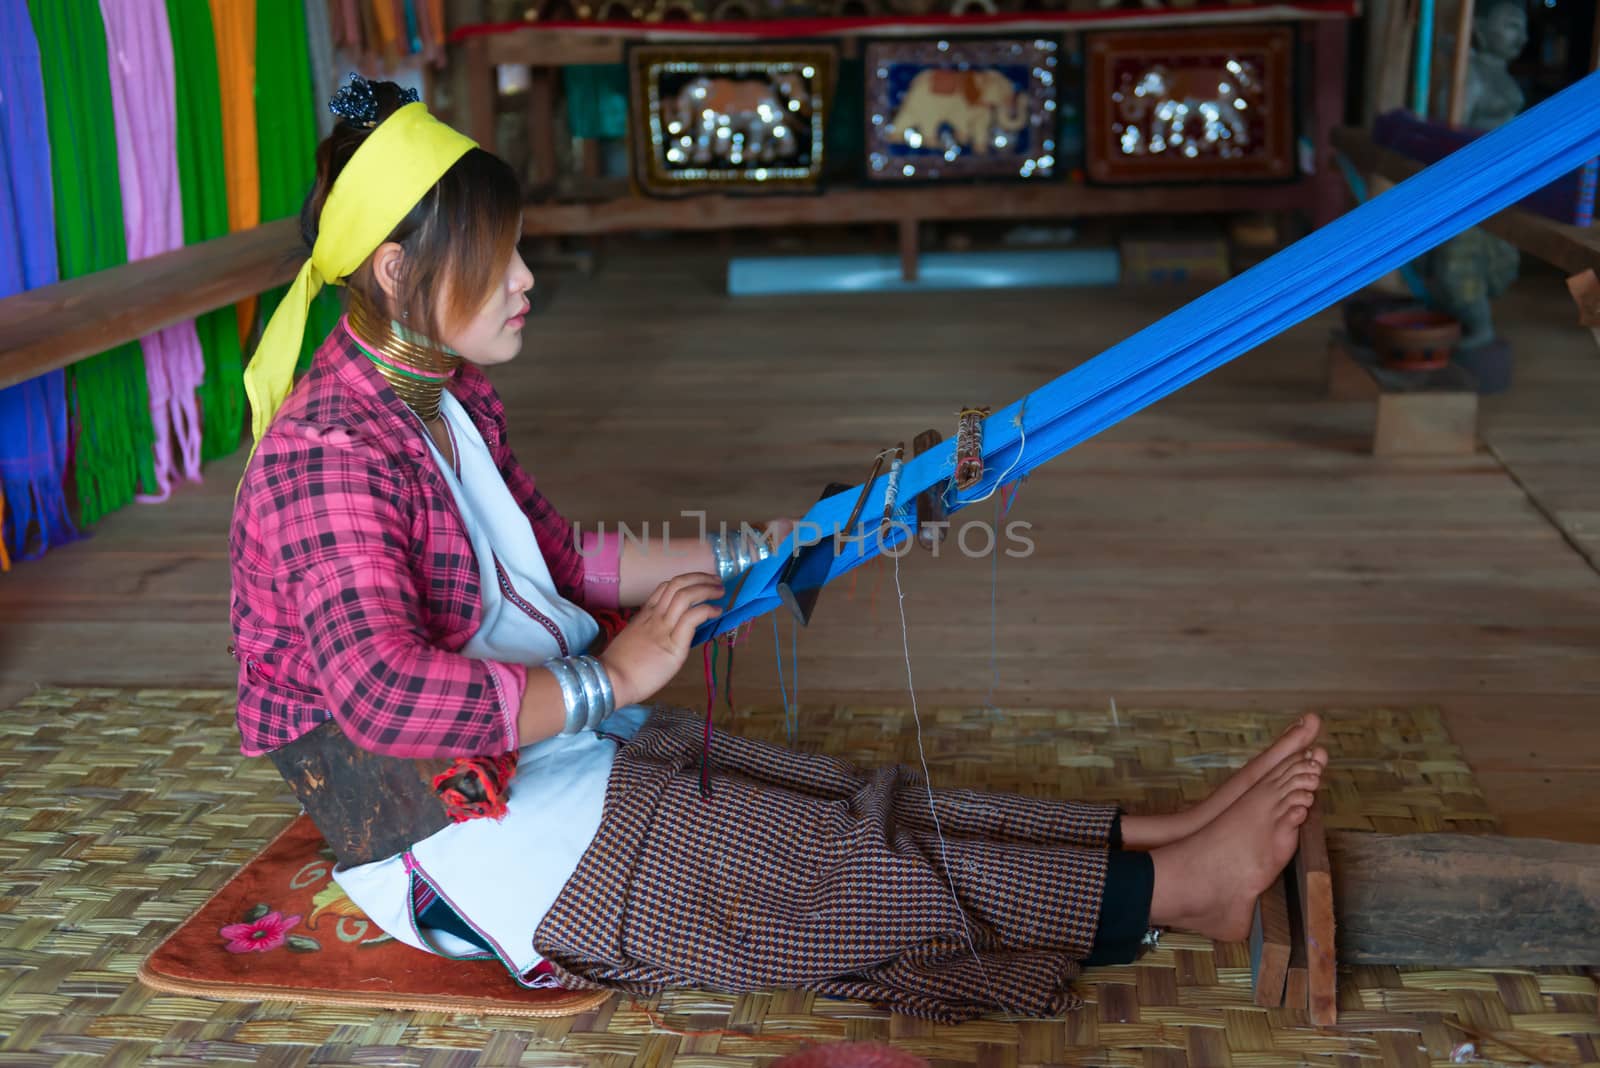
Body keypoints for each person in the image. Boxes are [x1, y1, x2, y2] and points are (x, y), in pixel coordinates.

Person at [229, 75, 1328, 1024]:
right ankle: (1179, 891)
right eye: (500, 258)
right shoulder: (328, 453)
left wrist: (773, 544)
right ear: (390, 270)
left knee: (845, 797)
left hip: (529, 760)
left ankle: (1153, 837)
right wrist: (608, 676)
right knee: (828, 874)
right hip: (453, 841)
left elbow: (562, 558)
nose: (525, 279)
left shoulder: (443, 401)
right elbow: (376, 694)